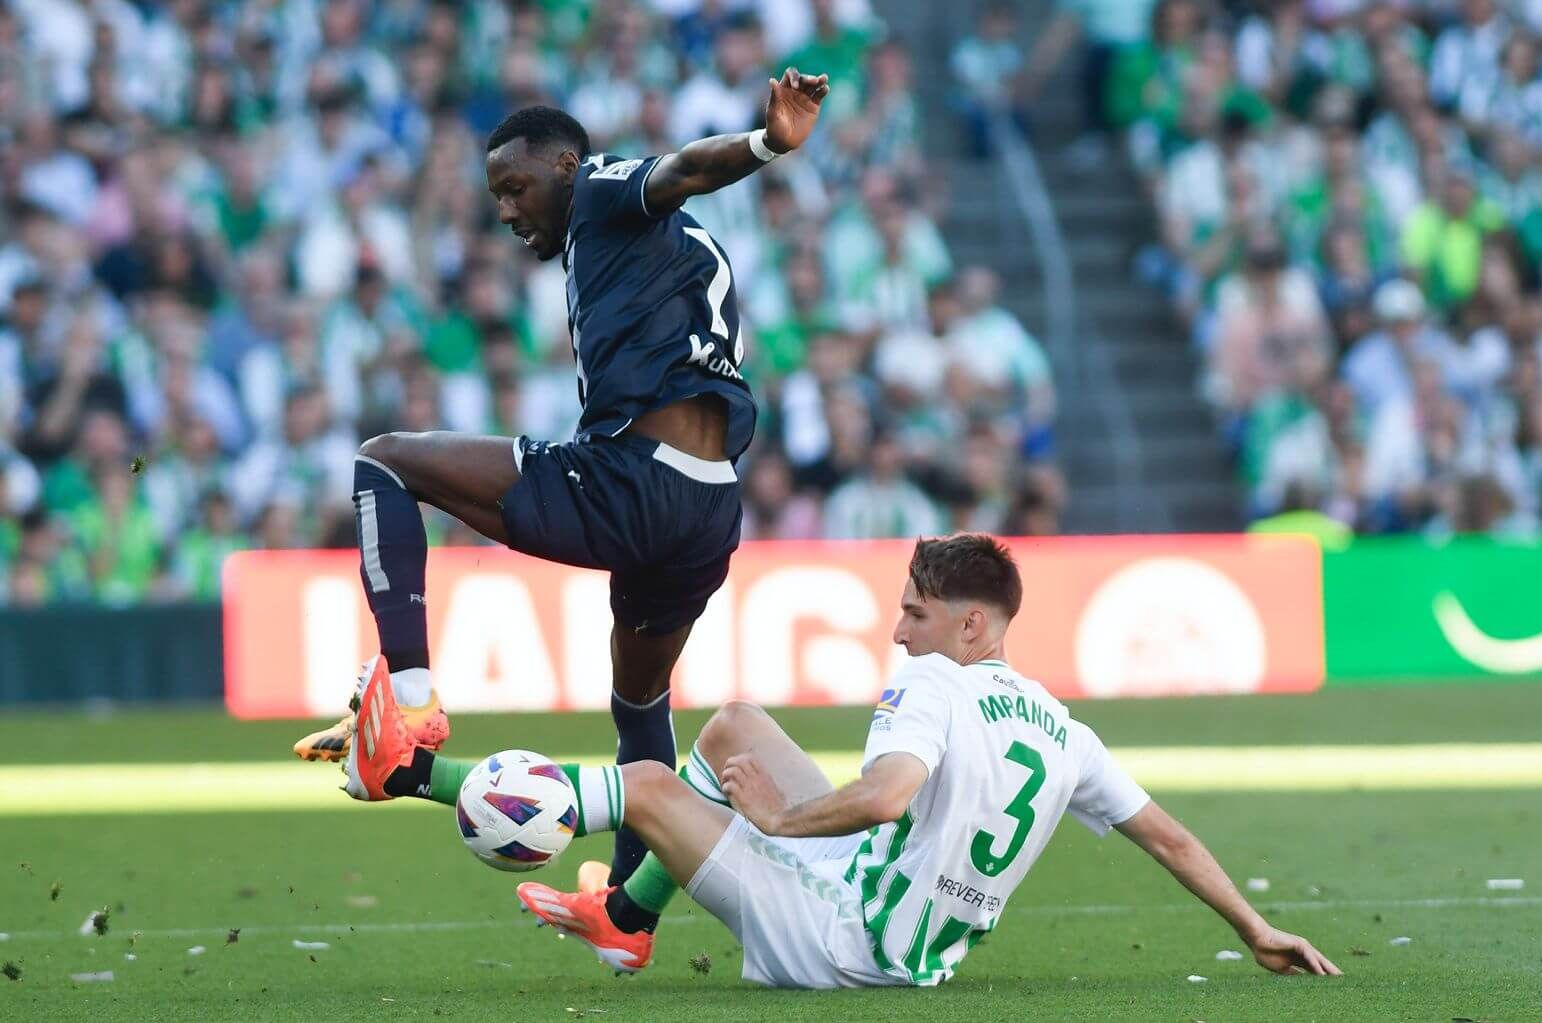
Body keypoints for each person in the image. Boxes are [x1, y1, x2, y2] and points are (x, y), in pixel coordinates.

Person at [292, 68, 833, 925]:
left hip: (634, 480)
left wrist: (768, 142)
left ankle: (416, 699)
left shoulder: (602, 193)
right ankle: (627, 915)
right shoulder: (665, 248)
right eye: (496, 195)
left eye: (515, 186)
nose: (507, 211)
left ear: (566, 166)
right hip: (707, 507)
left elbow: (683, 168)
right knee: (640, 702)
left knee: (385, 461)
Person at [350, 533, 1341, 987]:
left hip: (842, 941)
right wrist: (1256, 927)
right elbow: (1163, 836)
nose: (897, 626)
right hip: (892, 914)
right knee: (733, 723)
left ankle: (410, 773)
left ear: (966, 624)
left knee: (649, 787)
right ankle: (627, 920)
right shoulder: (1059, 728)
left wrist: (775, 823)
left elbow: (885, 795)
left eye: (912, 611)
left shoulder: (935, 685)